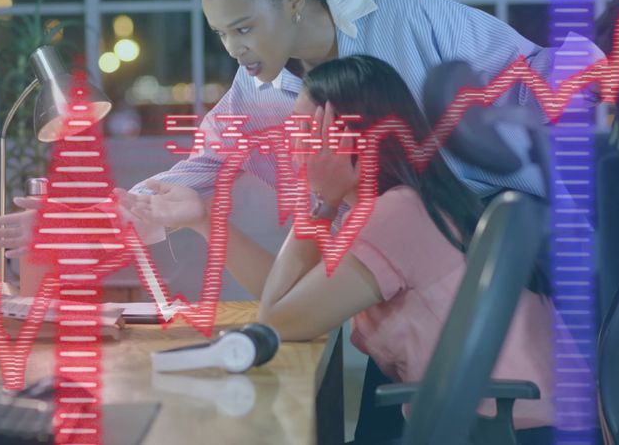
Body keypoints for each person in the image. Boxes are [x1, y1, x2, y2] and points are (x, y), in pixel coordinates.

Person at [0, 0, 619, 253]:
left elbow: (533, 69)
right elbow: (193, 170)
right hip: (409, 261)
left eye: (243, 28)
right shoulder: (259, 93)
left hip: (513, 232)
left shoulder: (404, 14)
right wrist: (92, 215)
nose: (234, 50)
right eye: (221, 35)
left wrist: (615, 75)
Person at [122, 55, 582, 440]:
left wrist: (318, 201)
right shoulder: (389, 204)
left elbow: (279, 319)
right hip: (494, 422)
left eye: (306, 132)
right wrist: (204, 221)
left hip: (513, 429)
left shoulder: (398, 214)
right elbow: (291, 299)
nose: (292, 147)